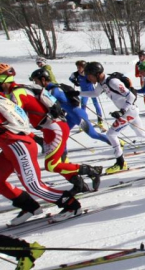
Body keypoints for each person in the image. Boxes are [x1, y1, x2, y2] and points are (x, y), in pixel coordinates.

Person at [0, 65, 82, 224]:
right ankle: (29, 206)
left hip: (18, 145)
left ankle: (71, 205)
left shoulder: (11, 95)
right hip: (10, 144)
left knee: (34, 185)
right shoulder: (7, 95)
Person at [82, 62, 145, 174]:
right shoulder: (101, 84)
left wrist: (122, 110)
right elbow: (95, 94)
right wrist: (77, 93)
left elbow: (131, 96)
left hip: (129, 111)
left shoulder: (113, 82)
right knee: (141, 134)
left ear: (97, 73)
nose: (88, 78)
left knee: (111, 134)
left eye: (89, 75)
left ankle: (120, 163)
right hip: (130, 111)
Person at [29, 69, 103, 194]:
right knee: (61, 161)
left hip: (64, 123)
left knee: (53, 164)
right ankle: (79, 183)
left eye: (36, 80)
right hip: (55, 126)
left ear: (42, 79)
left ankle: (92, 170)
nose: (35, 83)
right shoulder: (43, 91)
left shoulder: (51, 90)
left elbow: (55, 107)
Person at [70, 60, 105, 131]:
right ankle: (83, 123)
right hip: (83, 93)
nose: (78, 69)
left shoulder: (88, 74)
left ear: (84, 67)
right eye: (77, 67)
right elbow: (70, 78)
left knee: (96, 104)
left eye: (80, 67)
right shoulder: (76, 74)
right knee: (83, 107)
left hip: (92, 91)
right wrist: (75, 81)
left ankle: (100, 120)